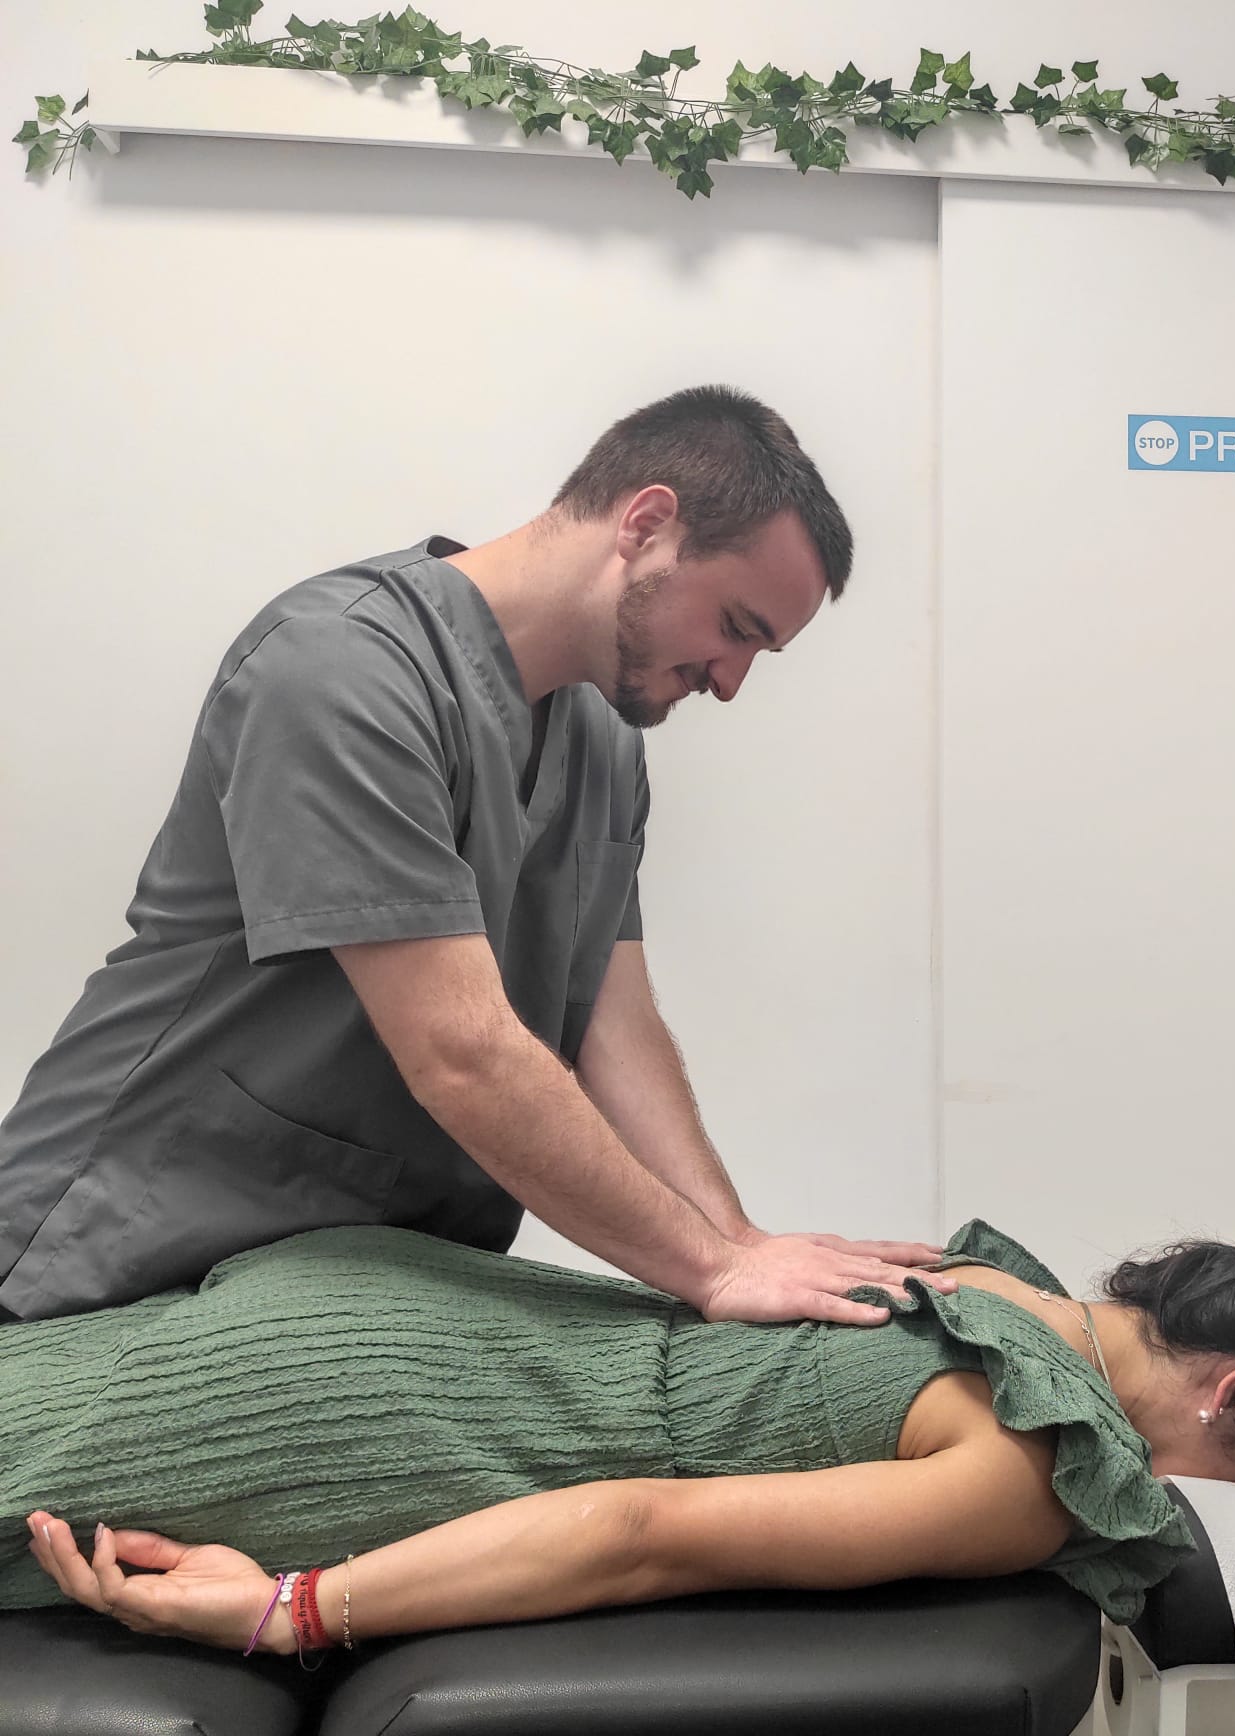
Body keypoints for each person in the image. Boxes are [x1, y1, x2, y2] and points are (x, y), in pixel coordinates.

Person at [0, 385, 952, 1326]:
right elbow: (464, 1052)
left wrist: (739, 1242)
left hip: (348, 1284)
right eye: (737, 628)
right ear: (647, 524)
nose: (733, 681)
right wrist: (708, 1268)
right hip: (115, 1251)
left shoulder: (607, 747)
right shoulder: (340, 669)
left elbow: (610, 1025)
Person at [7, 1214, 1235, 1653]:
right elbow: (638, 1529)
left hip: (399, 1299)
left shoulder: (987, 1276)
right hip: (375, 1414)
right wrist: (289, 1610)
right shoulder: (1028, 1470)